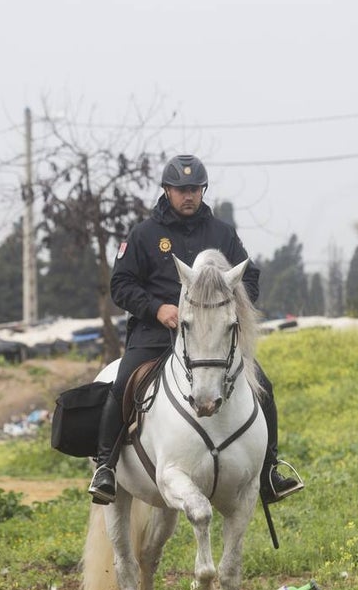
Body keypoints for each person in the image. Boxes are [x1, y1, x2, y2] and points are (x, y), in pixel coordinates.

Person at [88, 154, 305, 506]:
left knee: (263, 385)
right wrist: (157, 308)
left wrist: (228, 306)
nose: (188, 195)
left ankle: (269, 471)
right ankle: (106, 466)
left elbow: (248, 277)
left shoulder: (222, 233)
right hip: (155, 333)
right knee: (122, 383)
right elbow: (121, 284)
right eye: (181, 189)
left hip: (212, 339)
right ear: (166, 190)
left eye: (194, 189)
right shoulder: (144, 234)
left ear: (202, 190)